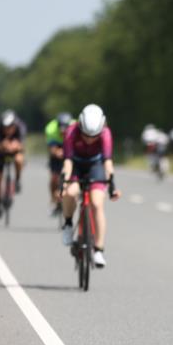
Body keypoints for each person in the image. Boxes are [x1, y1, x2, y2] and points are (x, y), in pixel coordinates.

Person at [60, 104, 121, 268]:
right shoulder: (71, 132)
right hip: (76, 165)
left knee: (97, 204)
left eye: (94, 136)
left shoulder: (106, 133)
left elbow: (108, 162)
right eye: (86, 135)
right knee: (70, 193)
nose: (89, 139)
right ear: (80, 126)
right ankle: (67, 223)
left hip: (96, 166)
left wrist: (112, 185)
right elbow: (67, 161)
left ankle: (99, 250)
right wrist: (64, 182)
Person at [0, 110, 26, 218]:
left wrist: (14, 146)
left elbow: (21, 145)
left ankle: (17, 179)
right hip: (1, 152)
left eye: (10, 127)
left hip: (15, 151)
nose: (8, 130)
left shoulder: (20, 128)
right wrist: (3, 145)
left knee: (19, 160)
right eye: (5, 127)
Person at [45, 112, 74, 215]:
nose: (62, 131)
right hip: (56, 147)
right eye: (60, 128)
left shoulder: (75, 127)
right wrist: (56, 152)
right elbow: (51, 148)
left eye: (65, 128)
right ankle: (54, 198)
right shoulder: (50, 128)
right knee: (54, 177)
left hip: (70, 146)